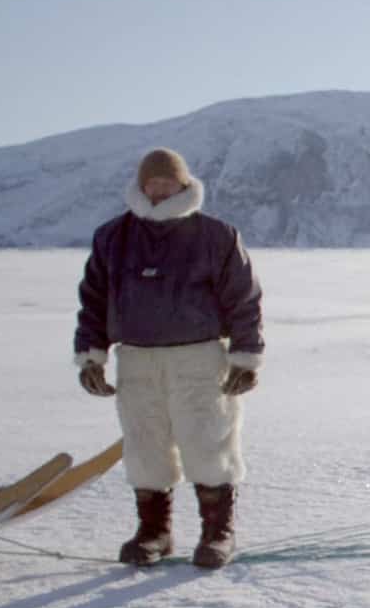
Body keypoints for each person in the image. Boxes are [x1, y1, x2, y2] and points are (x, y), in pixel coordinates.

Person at [73, 148, 264, 569]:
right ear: (141, 187)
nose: (159, 190)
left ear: (183, 184)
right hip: (137, 359)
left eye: (167, 183)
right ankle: (154, 533)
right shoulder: (113, 237)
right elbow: (93, 300)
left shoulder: (216, 236)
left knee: (207, 440)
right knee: (145, 445)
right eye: (151, 184)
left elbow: (244, 300)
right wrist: (91, 356)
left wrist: (246, 359)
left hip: (198, 356)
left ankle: (218, 534)